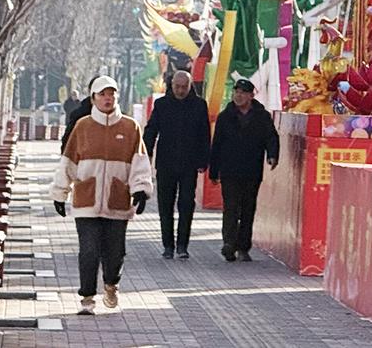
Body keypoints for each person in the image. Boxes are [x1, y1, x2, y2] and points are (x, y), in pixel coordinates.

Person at [50, 75, 153, 315]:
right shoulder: (83, 126)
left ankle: (111, 284)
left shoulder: (130, 127)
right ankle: (87, 297)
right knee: (88, 250)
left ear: (117, 96)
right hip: (86, 199)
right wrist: (60, 192)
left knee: (115, 251)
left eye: (111, 94)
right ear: (93, 98)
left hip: (117, 200)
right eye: (102, 94)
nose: (107, 98)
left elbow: (140, 162)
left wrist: (140, 189)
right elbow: (69, 162)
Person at [209, 79, 279, 262]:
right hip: (229, 170)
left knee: (248, 209)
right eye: (236, 92)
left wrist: (272, 155)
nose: (238, 96)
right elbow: (216, 145)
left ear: (251, 95)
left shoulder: (261, 116)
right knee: (231, 208)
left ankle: (243, 246)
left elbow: (271, 137)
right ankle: (229, 244)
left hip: (252, 170)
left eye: (243, 92)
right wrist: (213, 171)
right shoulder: (226, 116)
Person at [142, 70, 210, 259]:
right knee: (165, 205)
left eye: (184, 87)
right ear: (171, 86)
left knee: (187, 204)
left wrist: (204, 160)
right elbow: (151, 130)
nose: (180, 91)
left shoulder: (199, 105)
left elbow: (204, 135)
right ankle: (168, 245)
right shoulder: (162, 105)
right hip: (166, 163)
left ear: (190, 87)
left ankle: (182, 245)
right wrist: (145, 152)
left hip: (189, 164)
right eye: (177, 87)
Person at [60, 75, 101, 150]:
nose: (105, 98)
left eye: (110, 93)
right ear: (91, 92)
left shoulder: (123, 122)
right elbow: (67, 145)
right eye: (101, 93)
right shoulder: (78, 117)